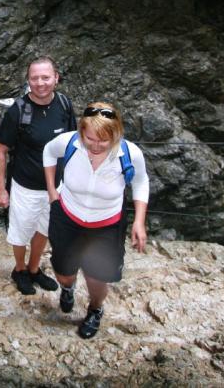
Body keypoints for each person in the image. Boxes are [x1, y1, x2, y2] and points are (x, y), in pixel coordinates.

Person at [43, 101, 149, 339]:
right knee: (64, 273)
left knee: (96, 277)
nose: (95, 145)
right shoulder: (69, 143)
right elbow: (48, 151)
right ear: (81, 131)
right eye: (89, 138)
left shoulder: (129, 153)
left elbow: (141, 181)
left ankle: (95, 310)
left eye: (103, 140)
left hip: (106, 224)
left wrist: (139, 221)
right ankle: (68, 288)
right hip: (67, 217)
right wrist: (51, 190)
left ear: (116, 134)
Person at [0, 56, 77, 295]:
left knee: (44, 229)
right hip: (26, 186)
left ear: (56, 78)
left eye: (45, 77)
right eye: (35, 78)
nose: (40, 83)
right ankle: (19, 269)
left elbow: (72, 144)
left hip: (55, 186)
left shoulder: (64, 105)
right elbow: (1, 150)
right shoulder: (18, 111)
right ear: (28, 81)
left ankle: (34, 268)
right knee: (21, 232)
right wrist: (0, 188)